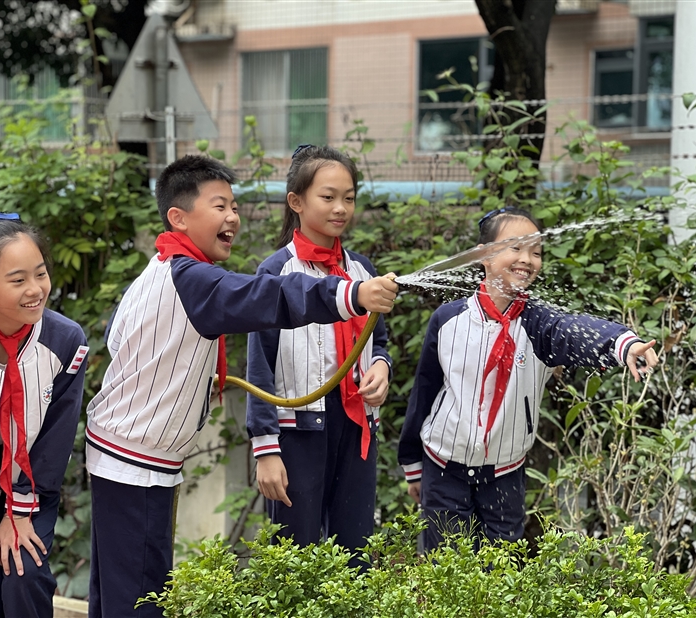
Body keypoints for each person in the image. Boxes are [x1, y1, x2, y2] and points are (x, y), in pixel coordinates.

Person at [85, 154, 397, 618]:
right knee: (140, 592)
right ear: (179, 217)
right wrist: (349, 295)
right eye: (219, 206)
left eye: (233, 206)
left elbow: (118, 337)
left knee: (124, 589)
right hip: (136, 459)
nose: (232, 216)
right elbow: (264, 296)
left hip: (132, 454)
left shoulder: (166, 268)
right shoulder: (189, 276)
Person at [398, 207, 658, 552]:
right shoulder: (448, 320)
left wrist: (624, 344)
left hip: (505, 473)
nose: (528, 259)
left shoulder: (539, 324)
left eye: (536, 252)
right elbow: (426, 391)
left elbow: (576, 331)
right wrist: (413, 463)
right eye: (516, 248)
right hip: (444, 468)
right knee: (443, 567)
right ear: (484, 255)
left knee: (502, 567)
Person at [246, 145, 392, 567]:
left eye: (348, 197)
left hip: (356, 425)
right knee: (295, 560)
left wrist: (381, 368)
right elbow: (259, 367)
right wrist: (265, 449)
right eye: (328, 197)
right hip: (297, 430)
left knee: (358, 554)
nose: (341, 208)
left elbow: (377, 342)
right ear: (296, 201)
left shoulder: (363, 270)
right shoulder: (274, 273)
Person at [0, 213, 89, 618]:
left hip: (31, 482)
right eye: (17, 280)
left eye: (40, 274)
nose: (35, 290)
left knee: (25, 574)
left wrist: (19, 512)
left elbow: (55, 438)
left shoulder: (65, 340)